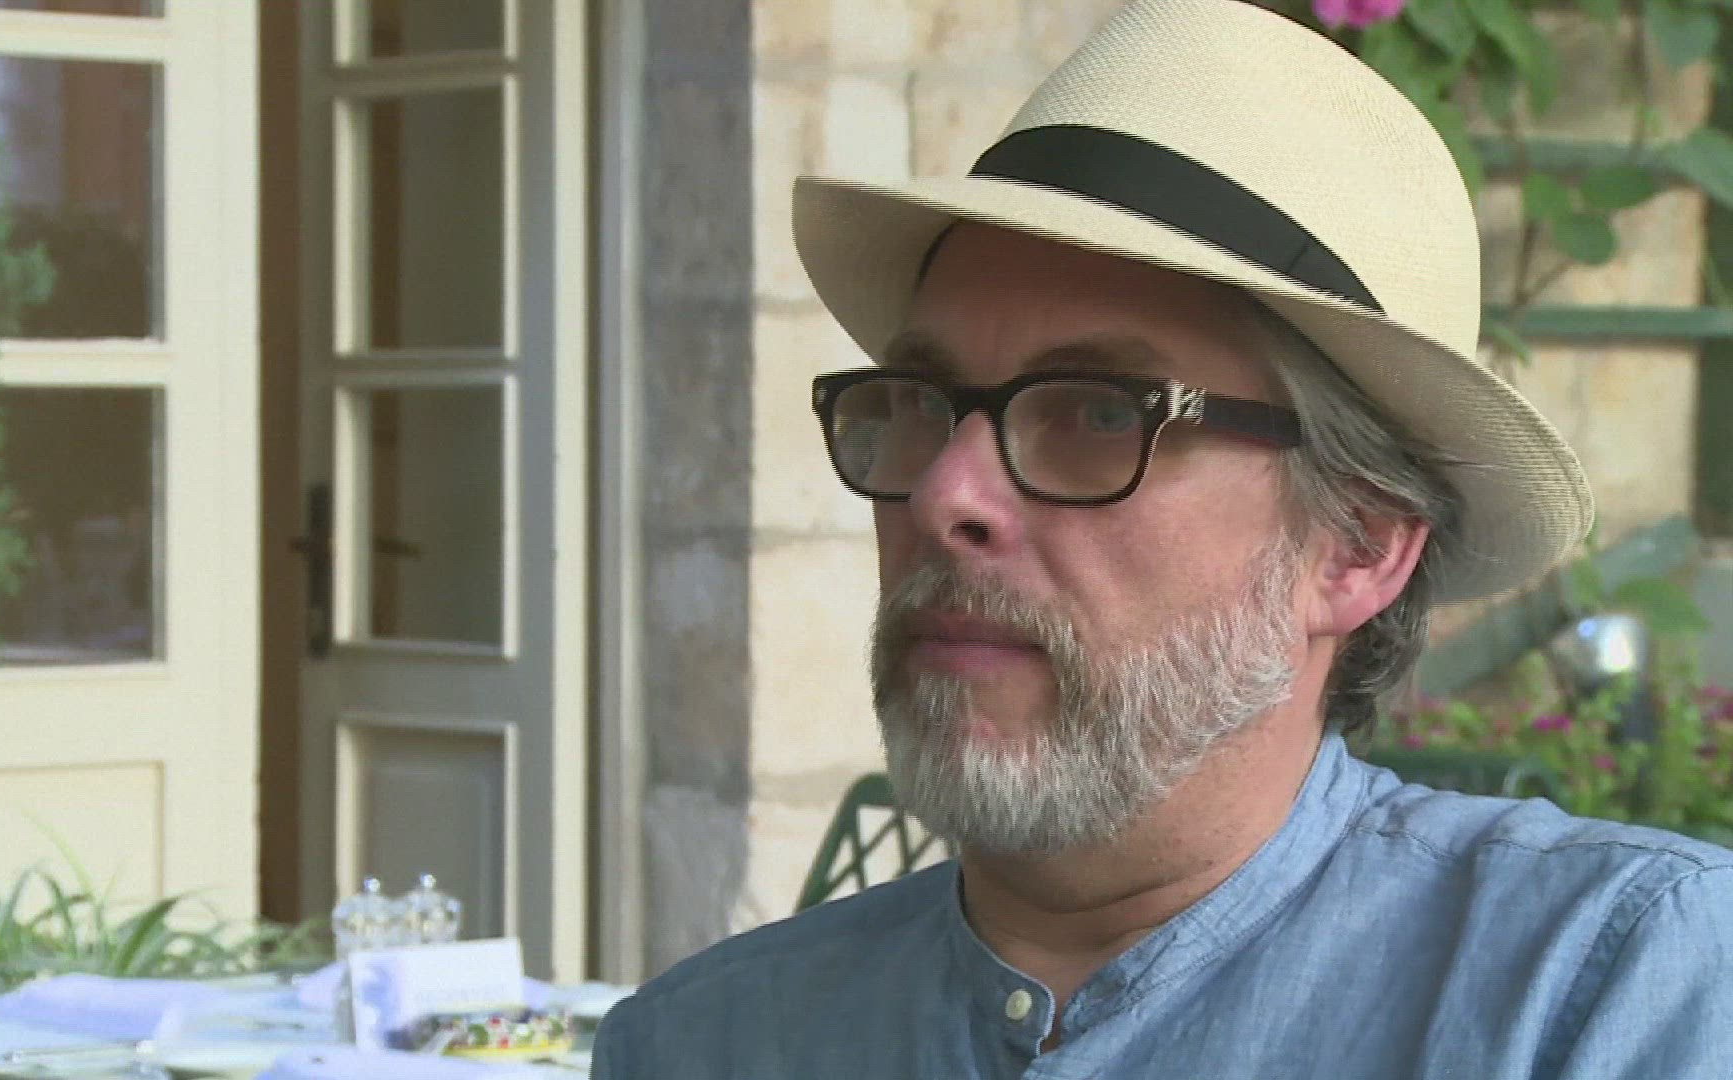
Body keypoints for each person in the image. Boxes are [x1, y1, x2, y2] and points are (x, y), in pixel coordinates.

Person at [590, 0, 1733, 1075]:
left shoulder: (1608, 987)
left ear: (1358, 545)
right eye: (922, 405)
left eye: (1098, 415)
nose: (944, 492)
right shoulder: (710, 1042)